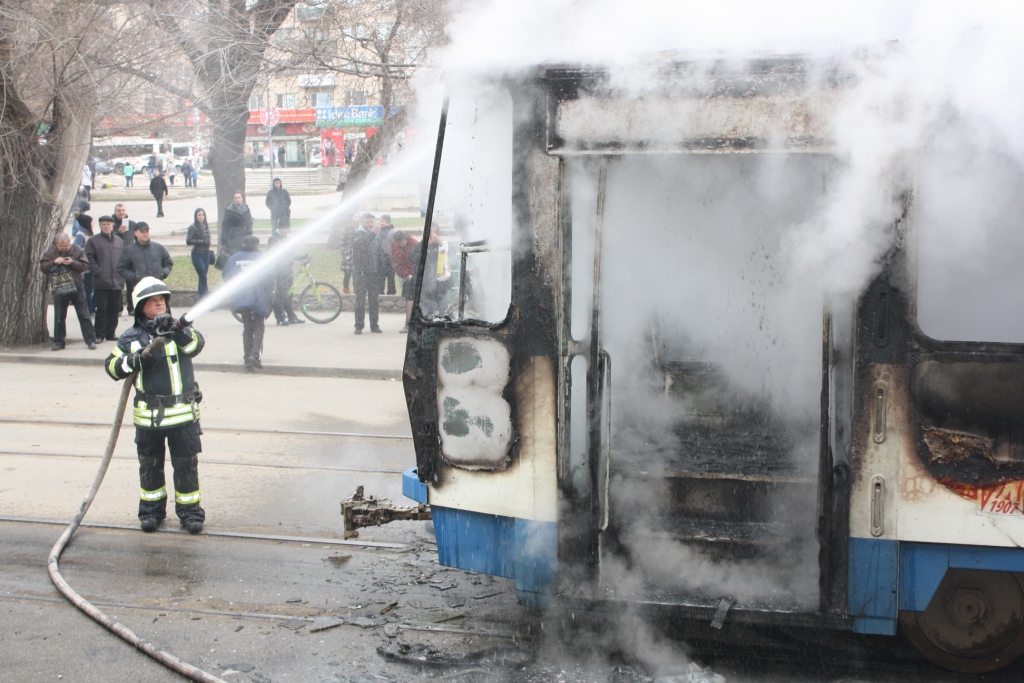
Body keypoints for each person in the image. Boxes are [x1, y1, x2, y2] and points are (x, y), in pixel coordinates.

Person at [104, 278, 206, 534]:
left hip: (183, 416)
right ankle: (151, 513)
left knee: (186, 466)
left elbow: (196, 346)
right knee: (150, 467)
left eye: (162, 298)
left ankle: (190, 514)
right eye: (152, 300)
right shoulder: (132, 338)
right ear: (140, 307)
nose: (159, 302)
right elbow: (112, 367)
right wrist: (135, 359)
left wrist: (178, 331)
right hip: (149, 419)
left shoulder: (180, 331)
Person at [40, 233, 98, 351]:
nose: (64, 249)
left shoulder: (77, 250)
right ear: (57, 244)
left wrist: (72, 262)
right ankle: (59, 341)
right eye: (61, 247)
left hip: (77, 286)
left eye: (66, 246)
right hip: (60, 288)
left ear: (69, 243)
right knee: (59, 317)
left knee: (84, 315)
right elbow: (43, 267)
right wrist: (54, 262)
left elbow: (85, 266)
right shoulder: (51, 253)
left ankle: (91, 340)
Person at [223, 235, 273, 370]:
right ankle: (255, 355)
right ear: (257, 245)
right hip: (258, 296)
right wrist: (268, 294)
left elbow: (226, 275)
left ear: (243, 244)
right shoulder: (262, 258)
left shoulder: (234, 258)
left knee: (247, 327)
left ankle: (247, 358)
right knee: (259, 326)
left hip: (241, 296)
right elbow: (270, 278)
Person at [85, 215, 126, 341]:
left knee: (114, 309)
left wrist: (121, 274)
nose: (106, 226)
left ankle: (110, 333)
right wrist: (98, 271)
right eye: (104, 224)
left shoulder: (119, 241)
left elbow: (125, 258)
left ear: (113, 225)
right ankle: (99, 334)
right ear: (100, 226)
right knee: (102, 309)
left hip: (117, 281)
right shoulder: (94, 241)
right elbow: (88, 258)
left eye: (108, 224)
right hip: (102, 281)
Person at [117, 223, 173, 309]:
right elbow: (121, 268)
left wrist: (163, 273)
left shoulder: (158, 247)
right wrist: (135, 277)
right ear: (136, 233)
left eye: (147, 231)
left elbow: (168, 263)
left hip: (157, 287)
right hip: (141, 289)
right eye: (142, 231)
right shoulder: (129, 250)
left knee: (161, 314)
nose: (145, 233)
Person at [267, 218, 305, 326]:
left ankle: (291, 316)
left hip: (288, 268)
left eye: (286, 228)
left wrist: (301, 257)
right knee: (280, 293)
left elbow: (291, 253)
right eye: (282, 228)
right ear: (279, 228)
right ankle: (280, 317)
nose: (284, 230)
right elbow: (270, 253)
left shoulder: (288, 239)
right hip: (279, 269)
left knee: (289, 293)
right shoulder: (273, 239)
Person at [352, 212, 381, 334]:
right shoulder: (358, 233)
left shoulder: (375, 235)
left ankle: (374, 325)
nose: (370, 224)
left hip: (373, 272)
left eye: (371, 222)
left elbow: (377, 252)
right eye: (367, 222)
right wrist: (373, 233)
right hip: (361, 273)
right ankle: (359, 325)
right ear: (362, 222)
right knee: (360, 300)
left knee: (374, 300)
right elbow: (360, 244)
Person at [390, 229, 418, 333]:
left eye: (402, 242)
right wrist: (395, 265)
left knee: (410, 298)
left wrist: (410, 272)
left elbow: (415, 259)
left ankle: (410, 321)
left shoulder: (414, 243)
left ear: (406, 239)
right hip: (401, 273)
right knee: (407, 297)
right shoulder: (395, 244)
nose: (401, 245)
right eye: (399, 243)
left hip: (411, 274)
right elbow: (393, 255)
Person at [71, 210, 96, 315]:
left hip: (89, 268)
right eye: (92, 222)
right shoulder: (81, 236)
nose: (93, 224)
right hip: (85, 270)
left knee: (90, 290)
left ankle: (90, 308)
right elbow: (75, 250)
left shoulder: (85, 234)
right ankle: (89, 310)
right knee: (87, 291)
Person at [186, 208, 214, 300]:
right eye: (199, 215)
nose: (201, 217)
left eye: (203, 215)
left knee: (202, 277)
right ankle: (206, 299)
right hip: (197, 254)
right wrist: (200, 241)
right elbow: (188, 241)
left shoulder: (205, 226)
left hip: (206, 254)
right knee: (203, 276)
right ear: (195, 216)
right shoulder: (193, 227)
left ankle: (200, 297)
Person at [221, 191, 253, 255]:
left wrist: (249, 230)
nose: (237, 199)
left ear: (242, 198)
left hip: (244, 235)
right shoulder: (229, 209)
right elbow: (225, 225)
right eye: (235, 198)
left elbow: (249, 221)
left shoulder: (246, 208)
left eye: (239, 197)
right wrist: (223, 240)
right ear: (233, 199)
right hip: (232, 236)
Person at [376, 214, 397, 295]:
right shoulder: (379, 231)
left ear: (387, 222)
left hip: (390, 257)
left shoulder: (393, 232)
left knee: (391, 276)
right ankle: (380, 291)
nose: (380, 223)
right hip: (381, 257)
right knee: (381, 276)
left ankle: (391, 292)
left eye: (382, 221)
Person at [340, 212, 359, 294]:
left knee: (356, 274)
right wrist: (345, 254)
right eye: (355, 216)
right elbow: (342, 243)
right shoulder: (347, 228)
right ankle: (346, 289)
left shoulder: (359, 228)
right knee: (347, 274)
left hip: (357, 254)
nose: (357, 218)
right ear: (351, 217)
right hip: (348, 254)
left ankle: (356, 289)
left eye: (358, 216)